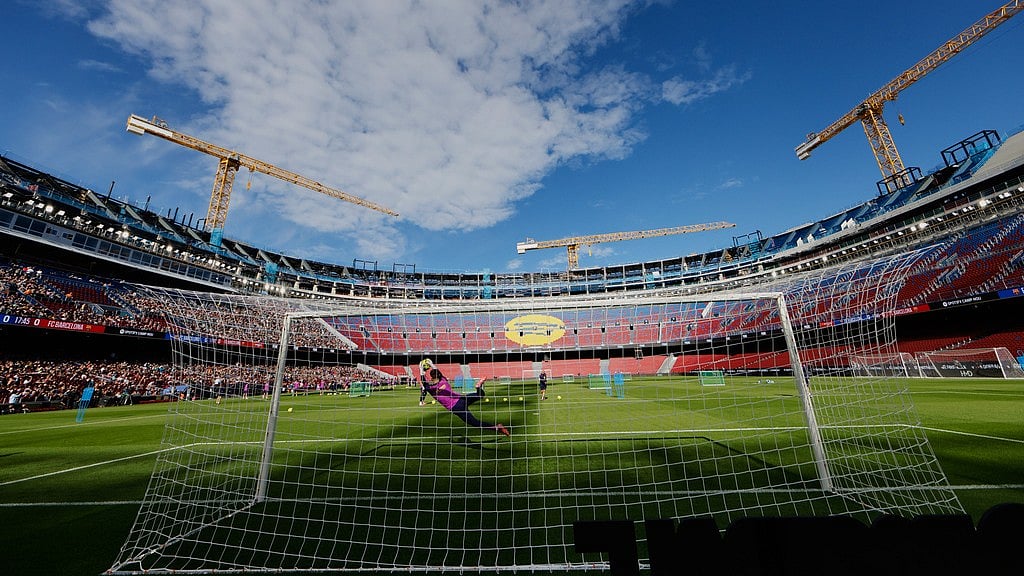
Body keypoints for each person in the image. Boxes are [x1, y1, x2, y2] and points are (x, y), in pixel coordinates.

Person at [420, 367, 510, 437]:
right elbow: (434, 376)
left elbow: (423, 382)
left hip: (456, 407)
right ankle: (478, 387)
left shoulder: (431, 388)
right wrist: (429, 366)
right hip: (462, 399)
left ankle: (497, 428)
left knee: (474, 422)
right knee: (480, 395)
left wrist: (422, 370)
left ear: (432, 378)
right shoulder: (443, 380)